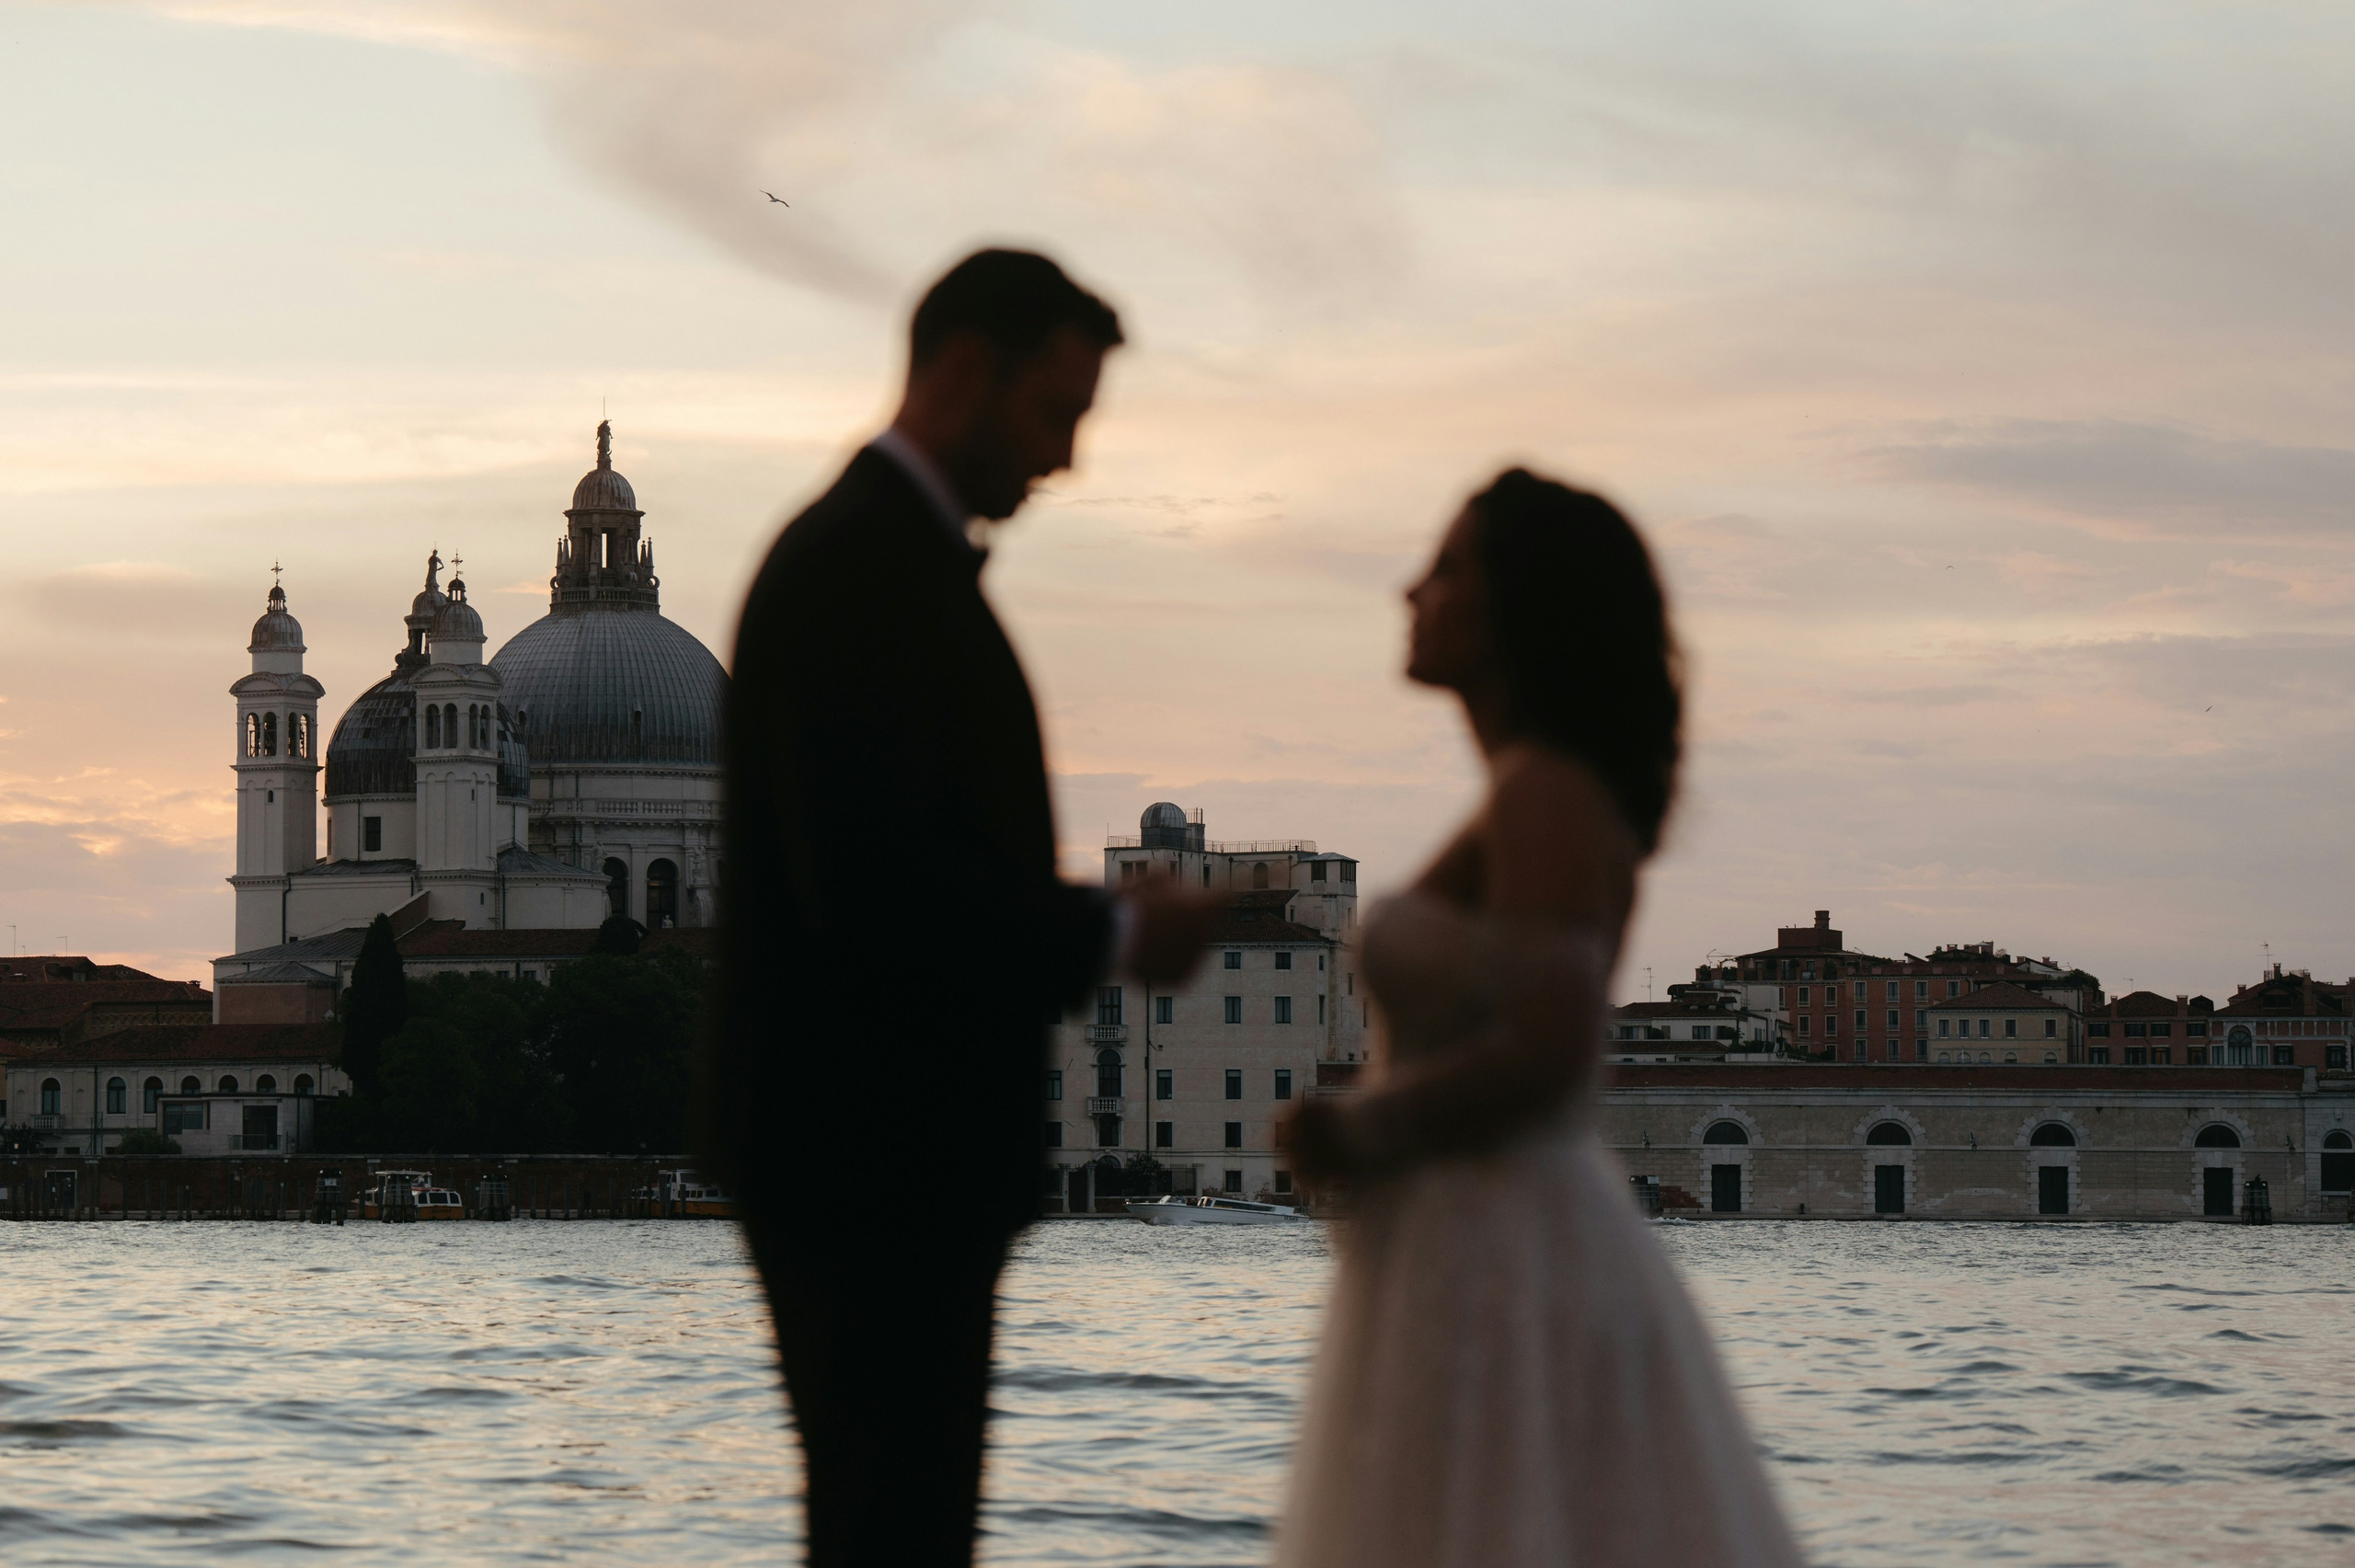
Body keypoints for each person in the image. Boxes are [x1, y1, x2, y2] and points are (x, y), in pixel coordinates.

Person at [707, 249, 1220, 1566]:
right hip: (873, 1161)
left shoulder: (879, 562)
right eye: (1060, 412)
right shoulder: (861, 570)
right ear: (964, 371)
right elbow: (877, 892)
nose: (1069, 458)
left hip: (883, 1160)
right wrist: (1111, 933)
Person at [1275, 470, 1804, 1567]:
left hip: (1499, 1244)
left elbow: (1553, 1046)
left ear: (1518, 607)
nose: (1410, 590)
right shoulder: (1526, 792)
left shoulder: (1543, 793)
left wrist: (1359, 1126)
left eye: (1449, 567)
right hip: (1471, 1235)